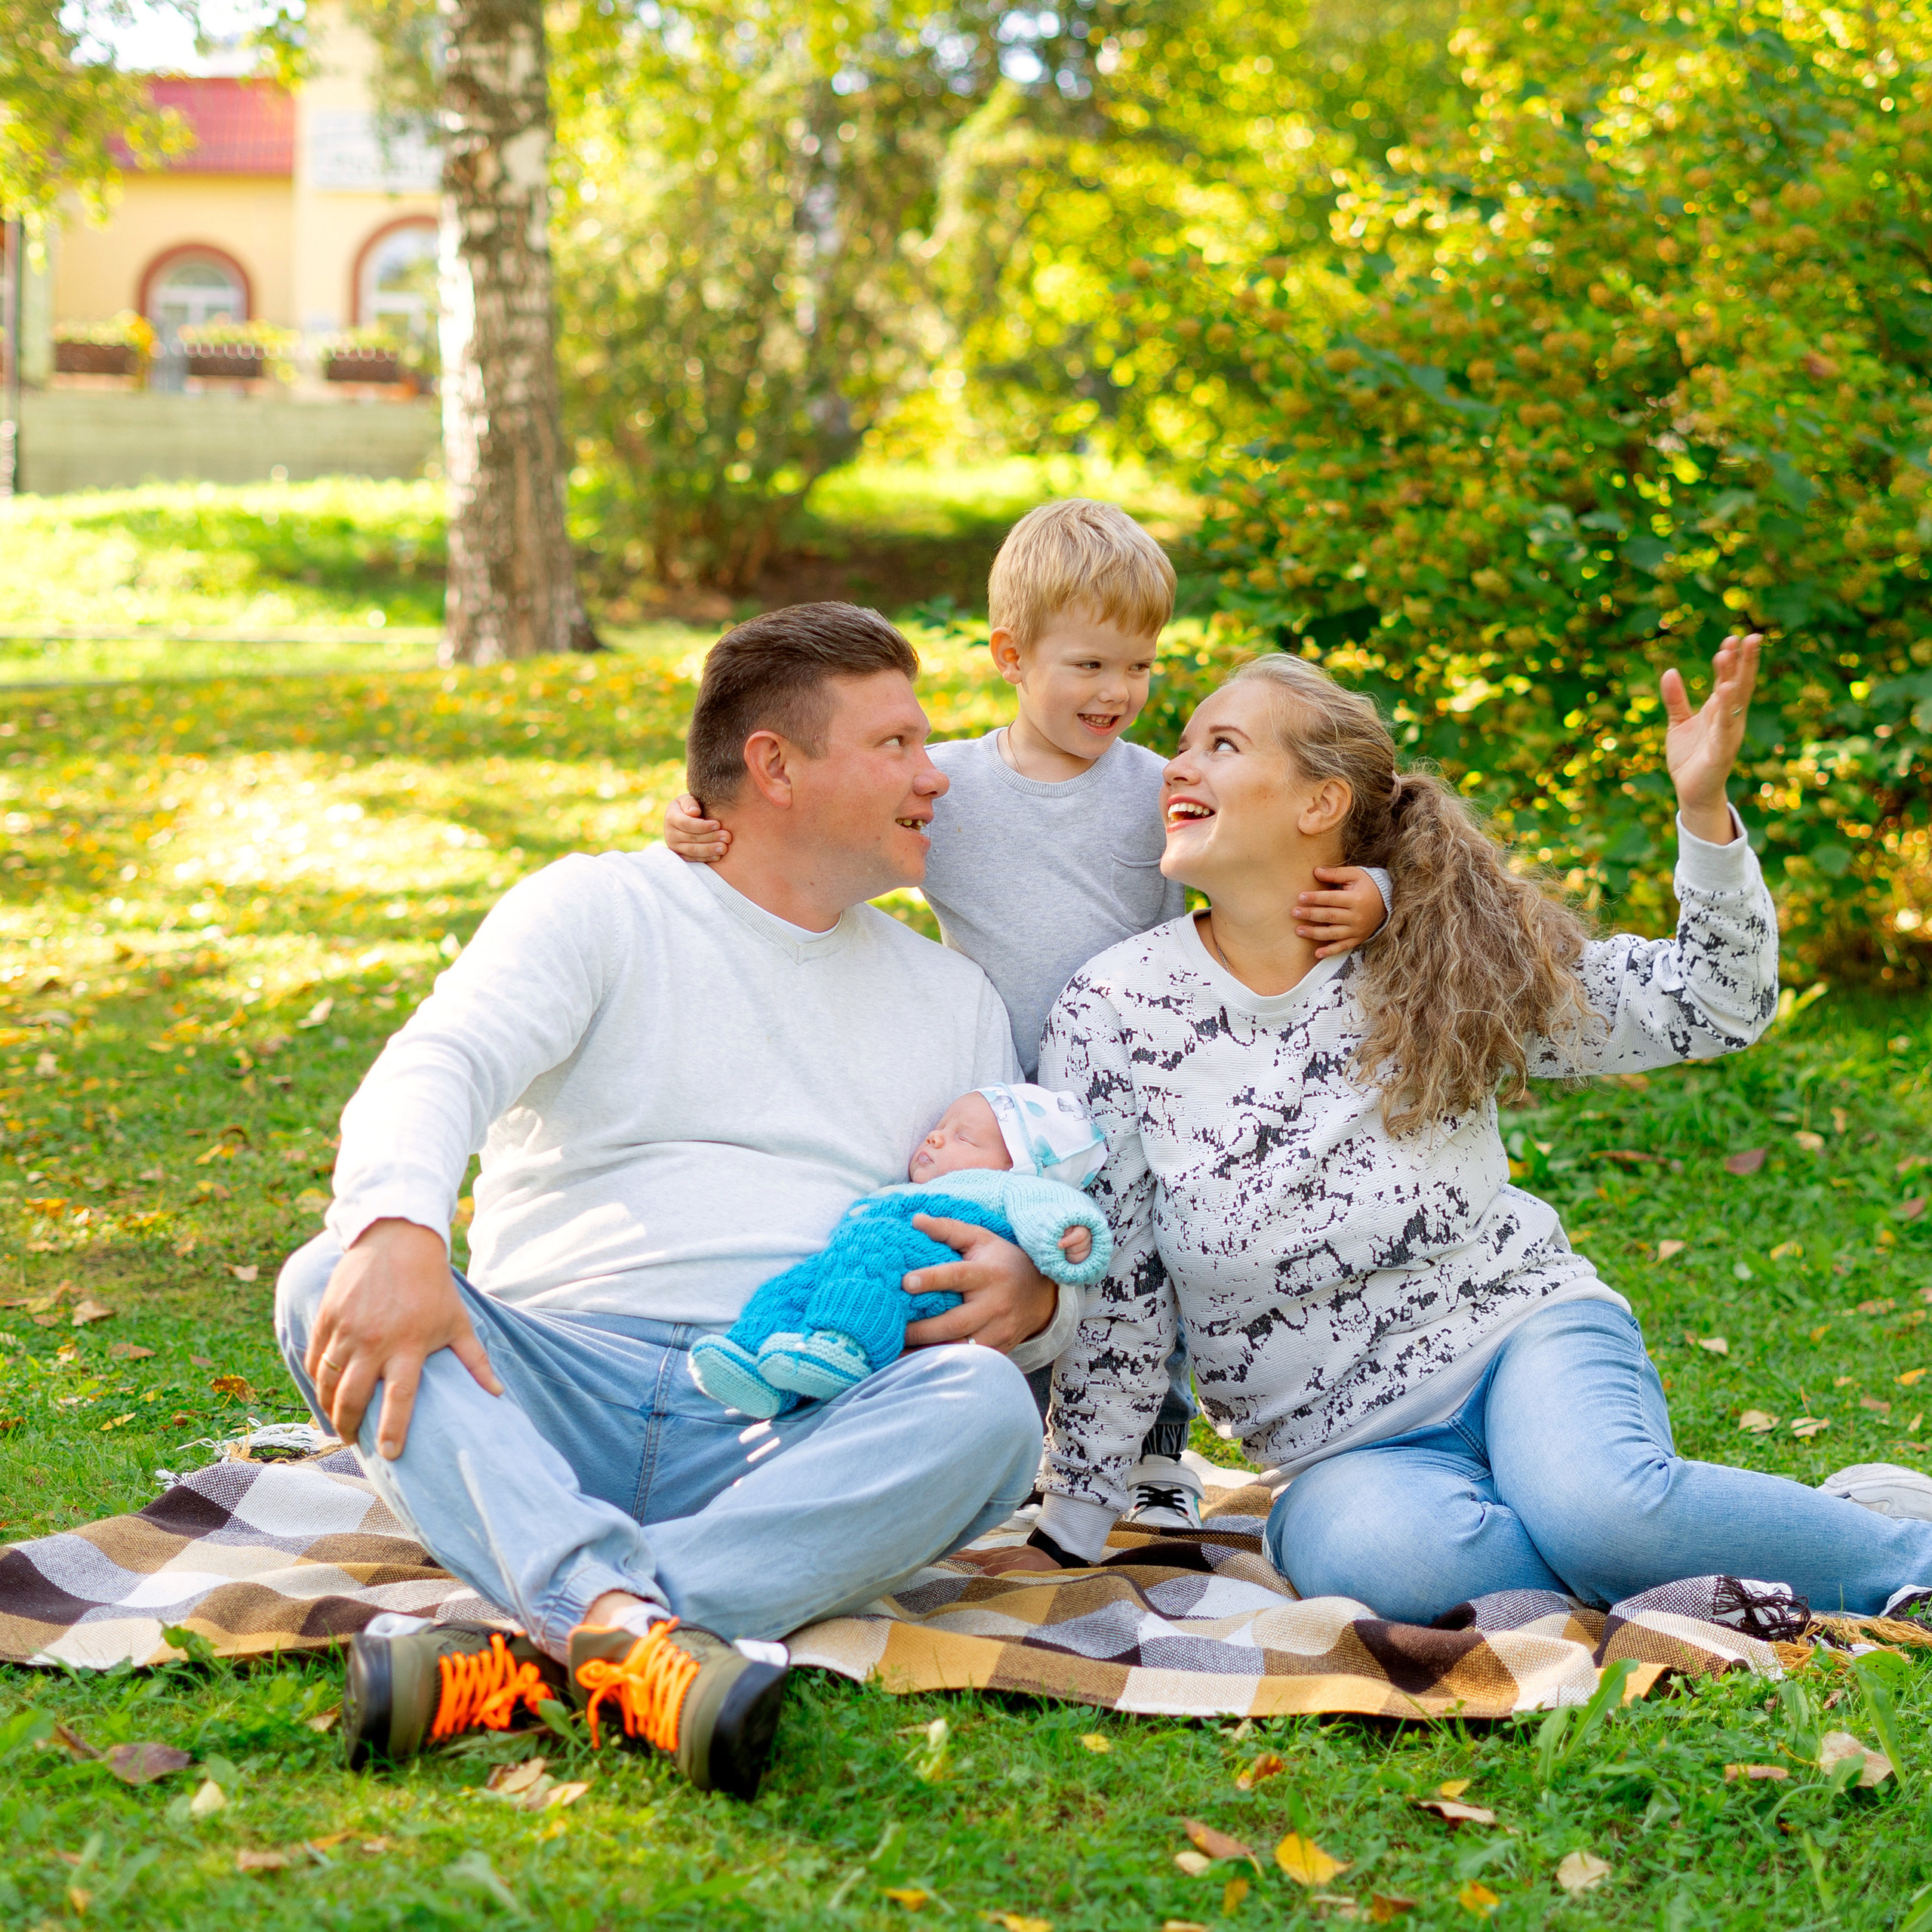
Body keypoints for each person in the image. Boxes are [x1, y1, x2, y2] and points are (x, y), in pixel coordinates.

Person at [274, 603, 1070, 1800]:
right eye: (898, 745)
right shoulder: (599, 908)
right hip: (542, 1391)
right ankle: (634, 1634)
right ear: (775, 767)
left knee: (987, 1409)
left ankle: (566, 1635)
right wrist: (398, 1229)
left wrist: (1031, 1298)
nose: (934, 778)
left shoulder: (951, 998)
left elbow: (1009, 1224)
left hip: (782, 1419)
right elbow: (441, 1062)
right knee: (321, 1275)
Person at [1008, 633, 1932, 1625]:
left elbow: (1714, 1004)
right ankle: (1721, 1538)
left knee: (1604, 1511)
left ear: (1320, 804)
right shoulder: (1113, 1007)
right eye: (1182, 744)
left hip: (1515, 1335)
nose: (1178, 765)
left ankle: (1884, 1544)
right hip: (1341, 1447)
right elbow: (1123, 1278)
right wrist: (1083, 1499)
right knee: (1413, 1578)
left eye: (1222, 744)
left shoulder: (1436, 958)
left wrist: (1702, 812)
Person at [667, 499, 1391, 1531]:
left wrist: (1376, 892)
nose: (1120, 692)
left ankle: (1151, 1453)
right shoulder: (948, 786)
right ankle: (992, 1438)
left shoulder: (1161, 789)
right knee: (1001, 1262)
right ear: (1012, 653)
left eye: (1138, 666)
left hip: (1148, 1075)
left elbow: (1297, 849)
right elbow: (821, 823)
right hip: (998, 1093)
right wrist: (697, 816)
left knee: (1144, 1260)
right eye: (1089, 665)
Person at [688, 1082, 1112, 1418]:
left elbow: (1061, 1212)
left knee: (876, 1242)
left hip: (936, 1268)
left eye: (962, 1136)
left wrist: (1071, 1239)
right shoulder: (908, 1190)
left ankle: (847, 1346)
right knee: (797, 1283)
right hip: (879, 1269)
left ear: (1017, 1164)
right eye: (941, 1127)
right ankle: (756, 1361)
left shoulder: (1009, 1187)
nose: (937, 1137)